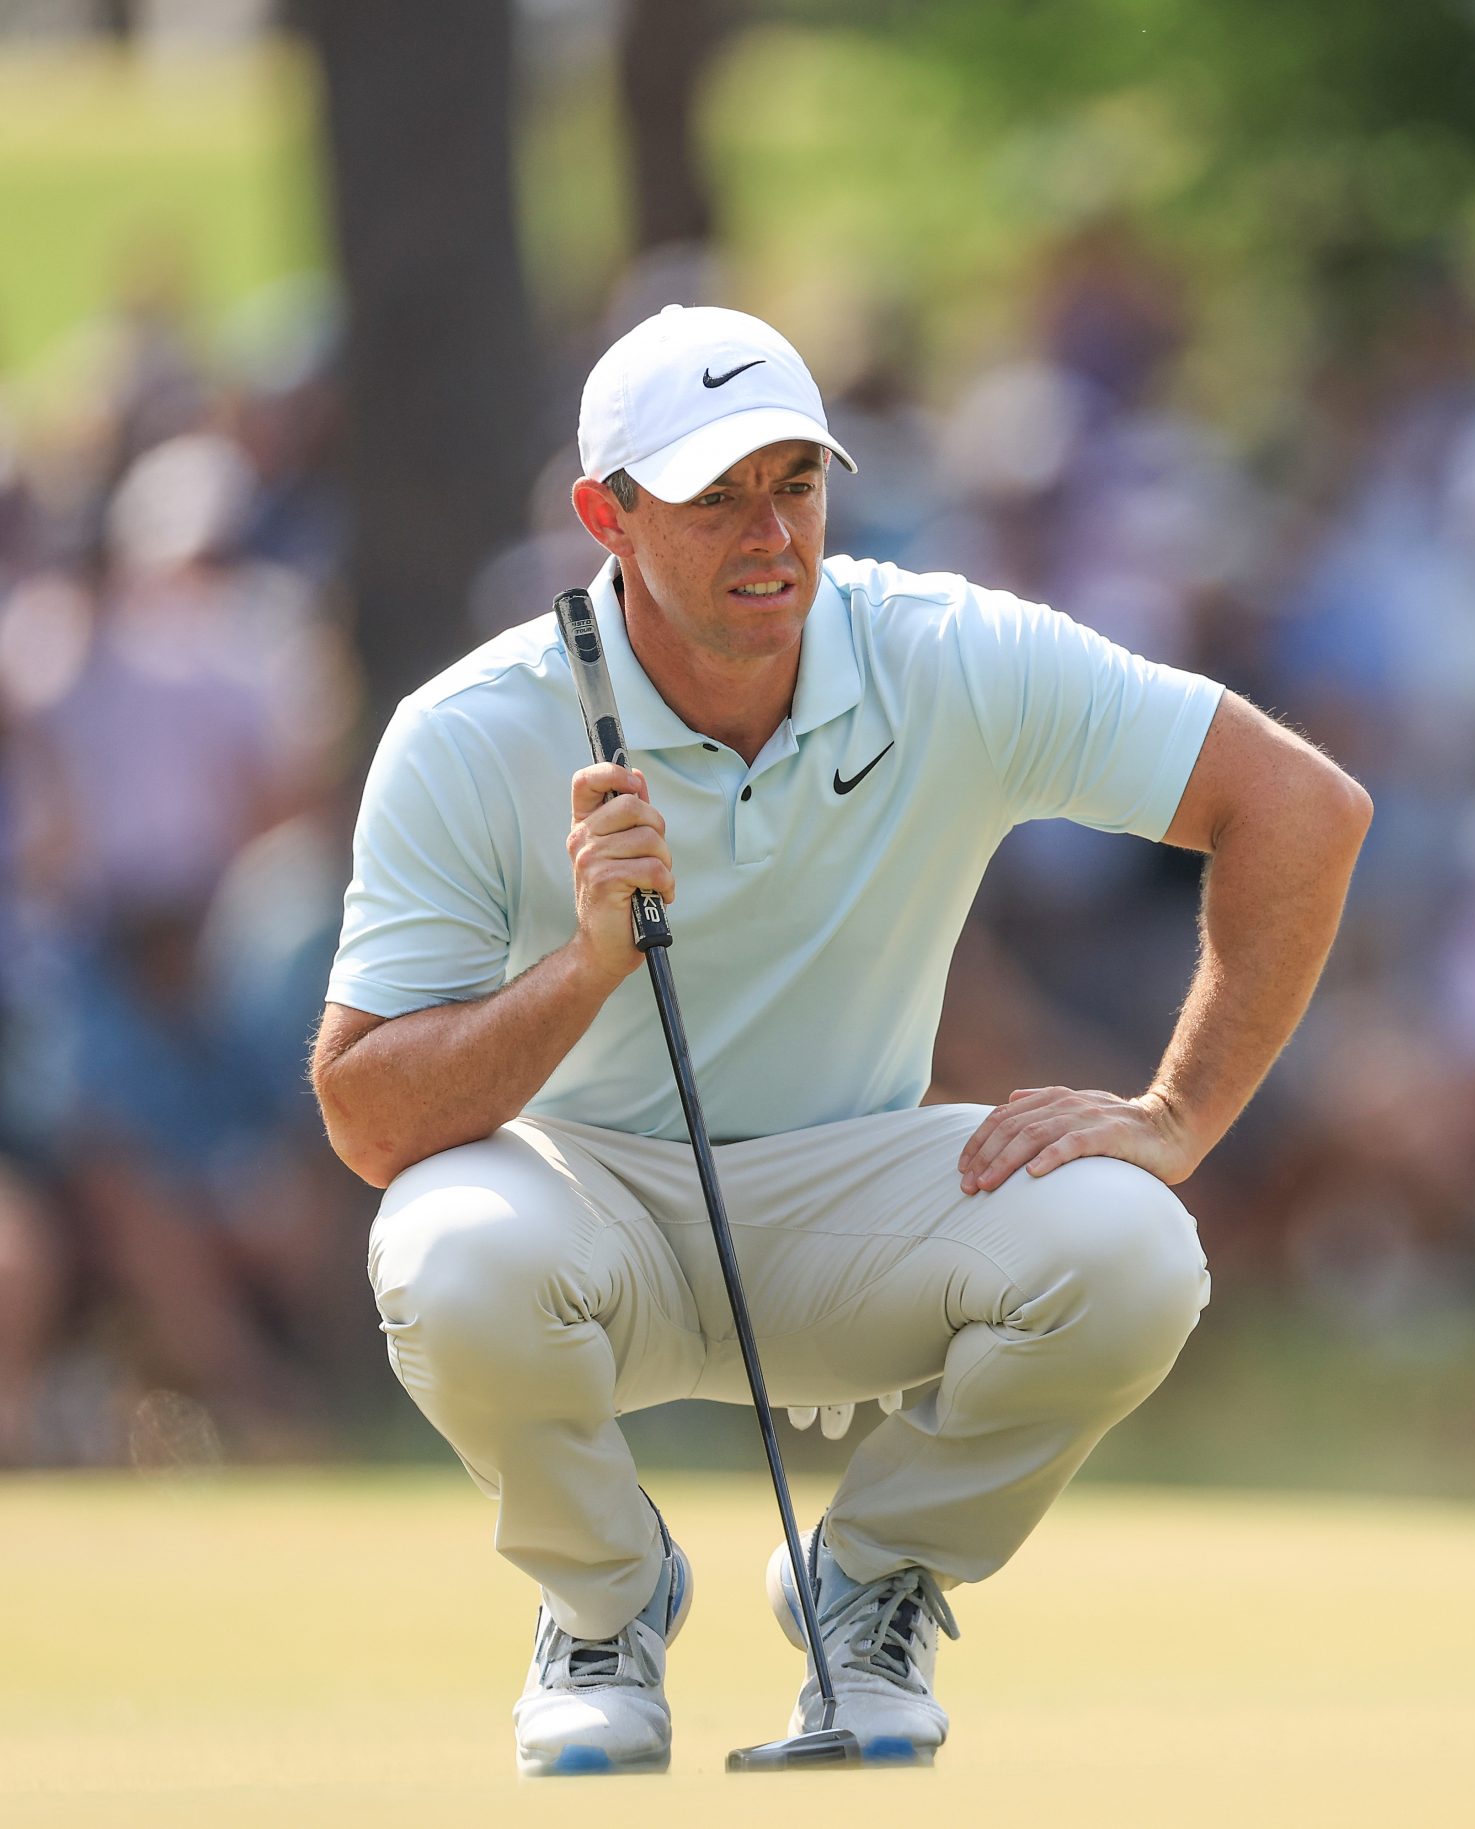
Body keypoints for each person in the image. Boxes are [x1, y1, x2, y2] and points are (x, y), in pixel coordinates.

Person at [307, 306, 1371, 1775]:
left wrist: (1179, 1109)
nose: (771, 536)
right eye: (716, 496)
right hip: (584, 1202)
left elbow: (1303, 810)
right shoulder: (471, 729)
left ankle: (867, 1584)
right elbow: (364, 1114)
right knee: (445, 1247)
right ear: (605, 515)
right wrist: (586, 967)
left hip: (855, 1192)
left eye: (796, 483)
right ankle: (606, 1602)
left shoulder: (946, 653)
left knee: (1135, 1245)